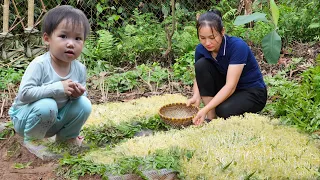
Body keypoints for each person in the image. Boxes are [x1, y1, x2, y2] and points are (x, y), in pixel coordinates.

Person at [8, 5, 92, 149]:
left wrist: (77, 94)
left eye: (78, 38)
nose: (71, 43)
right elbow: (24, 94)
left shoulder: (79, 68)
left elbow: (79, 100)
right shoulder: (40, 64)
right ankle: (34, 142)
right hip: (26, 119)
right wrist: (58, 88)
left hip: (54, 121)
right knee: (48, 105)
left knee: (84, 104)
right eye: (63, 36)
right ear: (47, 39)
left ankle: (66, 139)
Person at [187, 9, 267, 125]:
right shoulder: (201, 49)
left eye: (212, 37)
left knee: (223, 110)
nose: (207, 43)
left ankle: (213, 112)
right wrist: (196, 96)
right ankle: (211, 119)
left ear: (222, 31)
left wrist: (205, 108)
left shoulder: (237, 46)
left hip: (252, 92)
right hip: (227, 88)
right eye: (202, 38)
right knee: (201, 64)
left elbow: (230, 86)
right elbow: (200, 75)